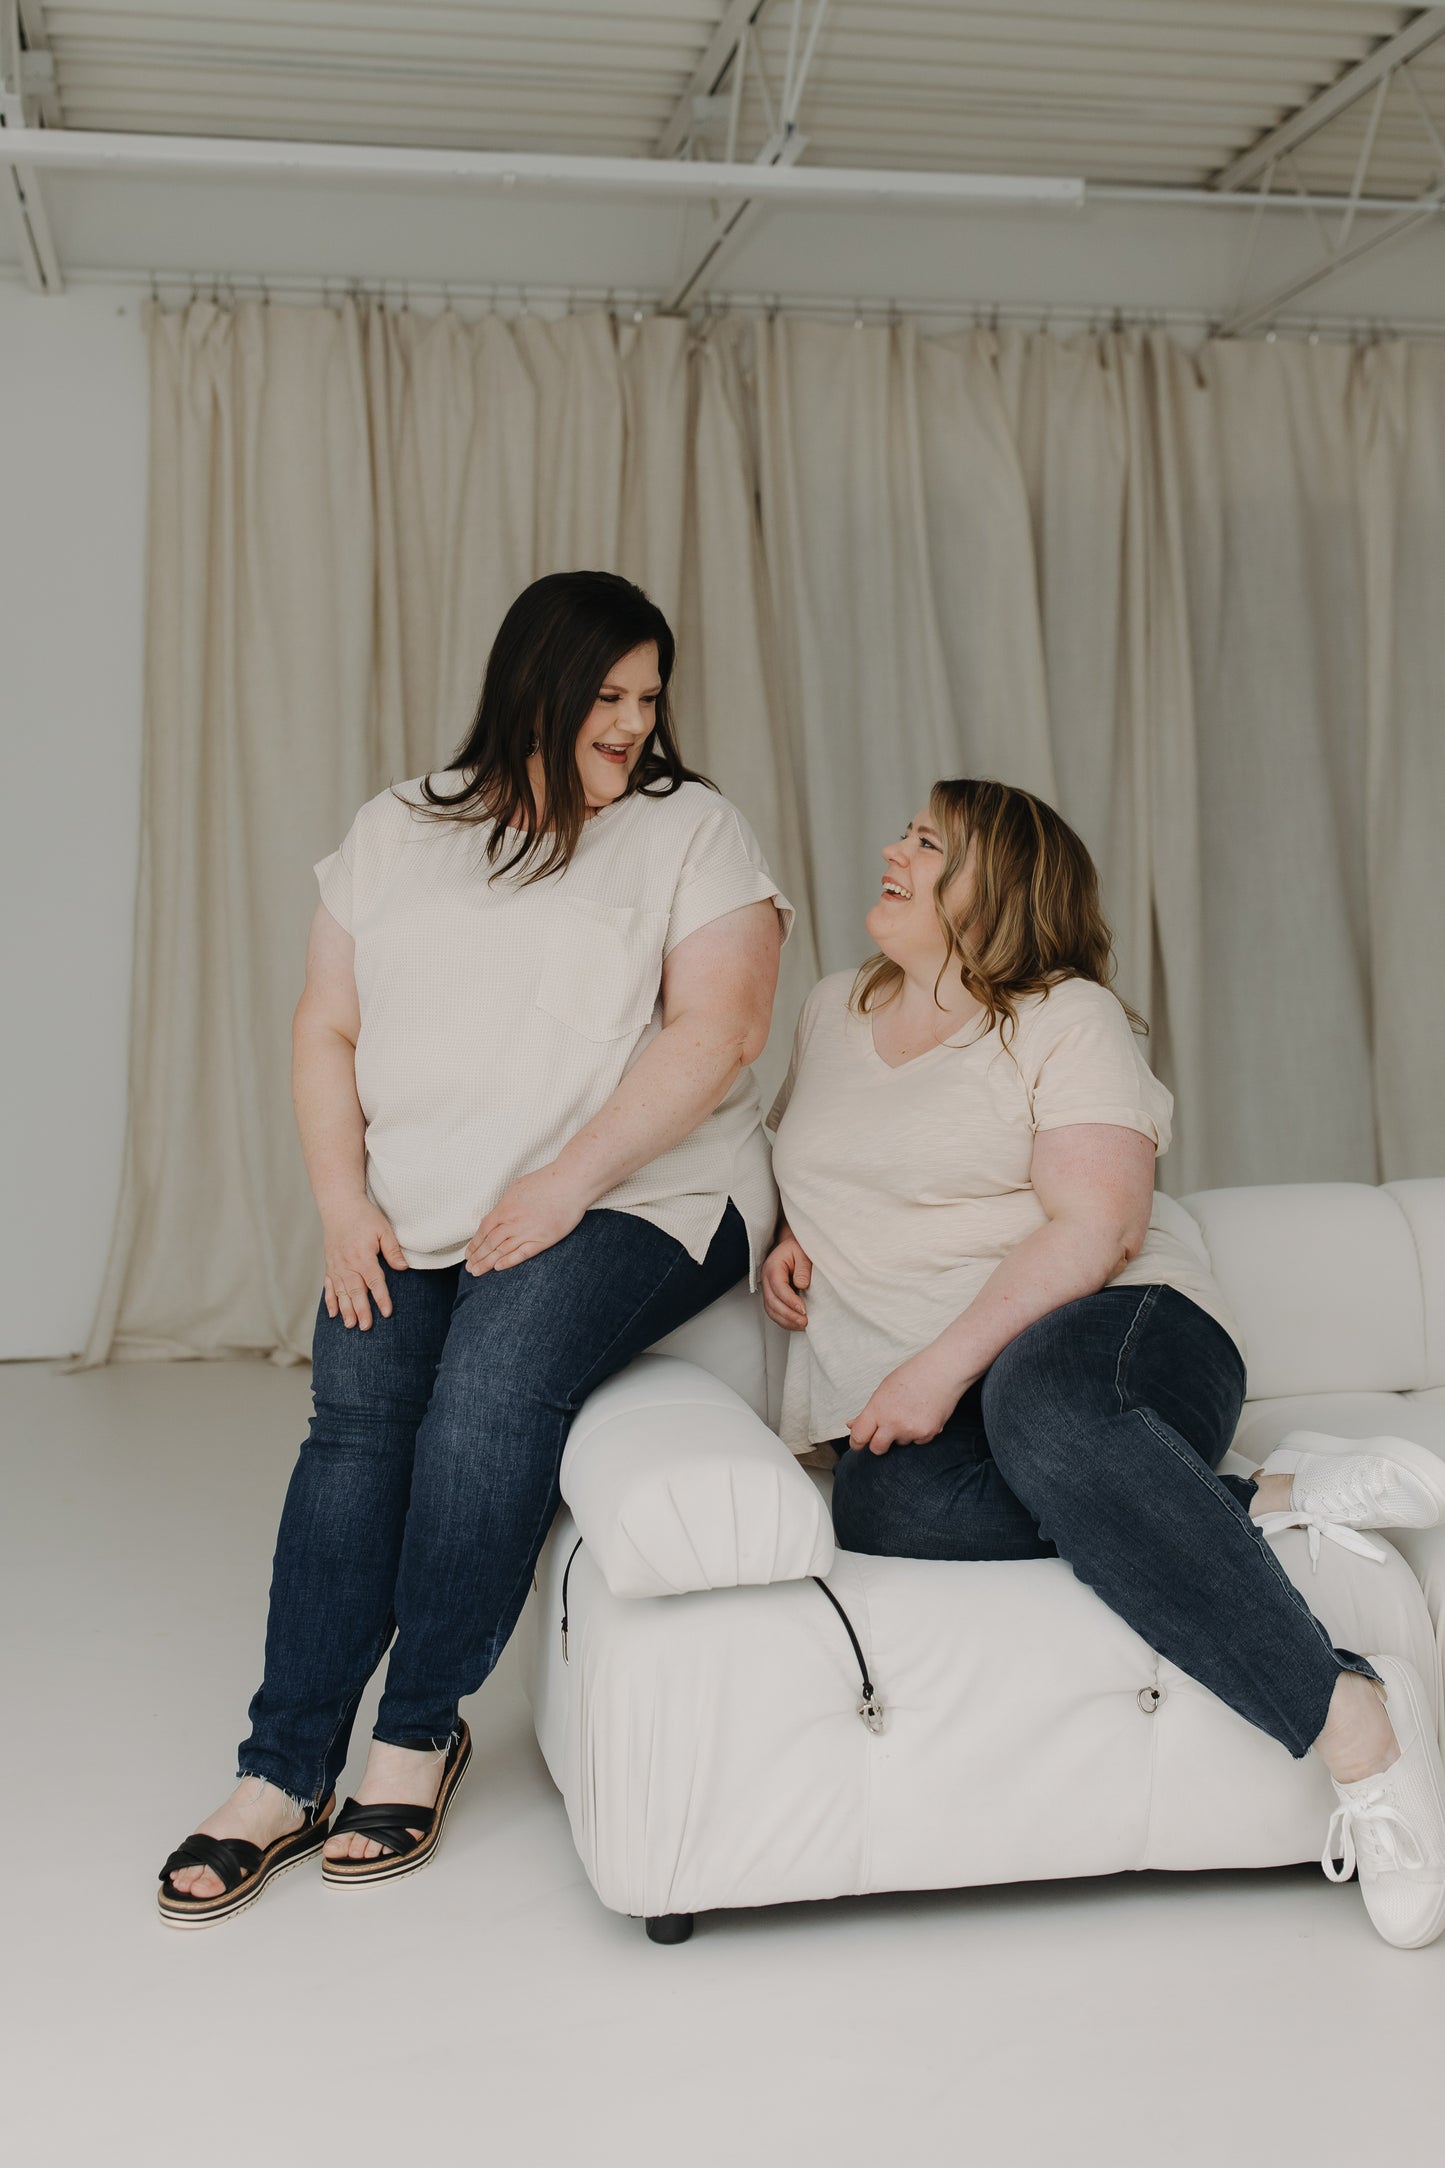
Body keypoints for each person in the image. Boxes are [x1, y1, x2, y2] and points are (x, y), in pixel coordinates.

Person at [158, 570, 794, 1926]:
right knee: (354, 1432)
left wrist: (566, 1184)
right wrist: (342, 1204)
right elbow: (325, 1024)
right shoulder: (398, 828)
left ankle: (416, 1732)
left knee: (489, 1392)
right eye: (607, 695)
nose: (633, 723)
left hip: (645, 1195)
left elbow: (722, 1030)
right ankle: (282, 1770)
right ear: (534, 690)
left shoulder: (692, 829)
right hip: (418, 1201)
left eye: (649, 697)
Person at [761, 777, 1445, 1951]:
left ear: (996, 891)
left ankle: (1352, 1720)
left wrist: (932, 1369)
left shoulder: (1060, 1015)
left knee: (1041, 1405)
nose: (891, 850)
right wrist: (793, 1229)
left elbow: (1097, 1226)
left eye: (926, 843)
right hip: (972, 1397)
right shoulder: (832, 1008)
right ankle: (1266, 1493)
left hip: (1121, 1329)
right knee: (883, 1499)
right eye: (904, 832)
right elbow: (819, 1156)